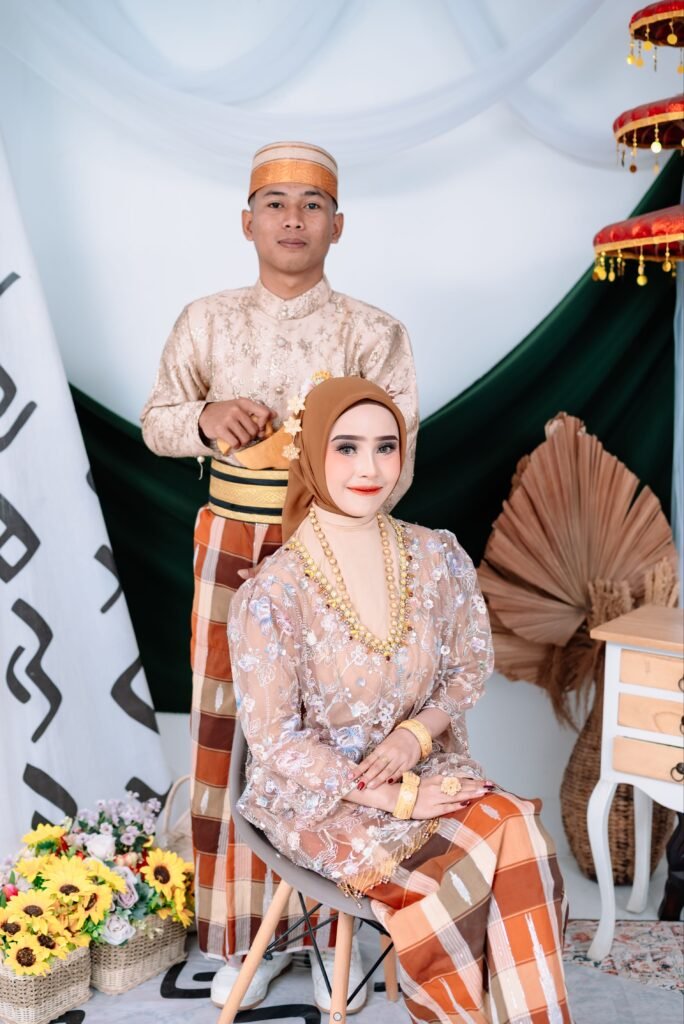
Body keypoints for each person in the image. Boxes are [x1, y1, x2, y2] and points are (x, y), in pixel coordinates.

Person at [140, 142, 418, 1010]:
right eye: (275, 203)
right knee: (229, 730)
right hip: (229, 540)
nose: (293, 219)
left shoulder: (373, 332)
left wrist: (331, 487)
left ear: (339, 225)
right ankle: (239, 937)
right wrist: (206, 416)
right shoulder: (206, 321)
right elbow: (156, 423)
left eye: (311, 204)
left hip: (331, 545)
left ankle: (336, 934)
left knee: (336, 732)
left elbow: (399, 461)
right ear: (247, 221)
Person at [229, 376, 572, 1023]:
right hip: (322, 799)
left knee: (518, 832)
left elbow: (468, 666)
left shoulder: (435, 555)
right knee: (452, 883)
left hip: (424, 768)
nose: (370, 468)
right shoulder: (274, 593)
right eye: (347, 447)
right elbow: (275, 741)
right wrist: (392, 797)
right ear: (311, 453)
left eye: (385, 447)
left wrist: (414, 737)